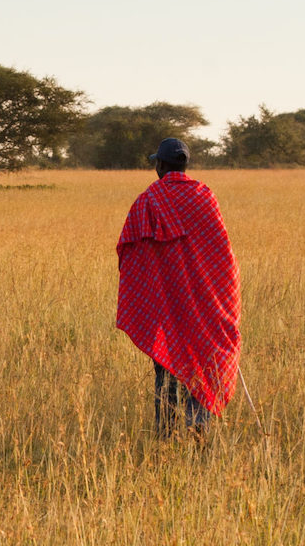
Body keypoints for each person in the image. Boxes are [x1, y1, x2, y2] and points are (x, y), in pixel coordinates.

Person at [117, 137, 241, 437]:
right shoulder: (204, 196)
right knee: (205, 362)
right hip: (207, 304)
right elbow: (222, 255)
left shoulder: (148, 200)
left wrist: (151, 288)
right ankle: (198, 427)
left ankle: (166, 436)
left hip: (166, 307)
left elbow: (129, 256)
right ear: (186, 165)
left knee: (167, 366)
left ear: (160, 165)